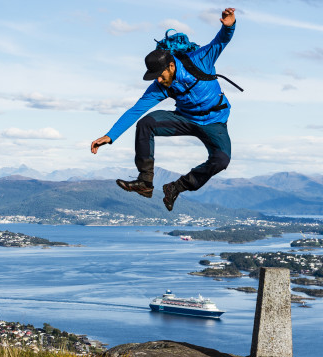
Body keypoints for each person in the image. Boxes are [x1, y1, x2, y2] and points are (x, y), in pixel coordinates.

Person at [90, 8, 237, 211]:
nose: (158, 80)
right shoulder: (160, 86)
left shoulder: (200, 60)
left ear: (171, 66)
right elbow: (136, 110)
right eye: (155, 77)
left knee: (221, 160)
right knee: (146, 123)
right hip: (185, 119)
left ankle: (176, 187)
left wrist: (229, 26)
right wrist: (110, 135)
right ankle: (145, 182)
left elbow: (221, 41)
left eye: (160, 75)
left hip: (214, 122)